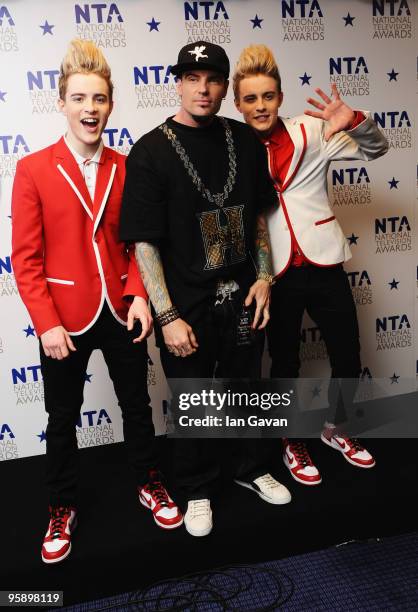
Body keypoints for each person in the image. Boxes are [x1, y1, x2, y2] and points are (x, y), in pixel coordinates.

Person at [11, 39, 182, 564]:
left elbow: (139, 243)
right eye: (80, 98)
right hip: (64, 319)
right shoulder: (33, 169)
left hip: (121, 311)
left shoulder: (128, 167)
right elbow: (26, 259)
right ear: (61, 101)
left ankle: (148, 482)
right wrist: (46, 324)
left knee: (136, 404)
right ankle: (61, 507)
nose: (90, 108)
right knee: (62, 417)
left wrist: (137, 296)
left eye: (100, 99)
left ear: (110, 105)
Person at [120, 41, 291, 537]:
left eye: (213, 79)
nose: (203, 88)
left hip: (241, 291)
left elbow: (258, 215)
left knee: (245, 385)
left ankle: (251, 469)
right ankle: (196, 488)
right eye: (192, 78)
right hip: (185, 301)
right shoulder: (151, 150)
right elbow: (145, 243)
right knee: (194, 398)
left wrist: (263, 276)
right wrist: (167, 315)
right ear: (177, 82)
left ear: (224, 87)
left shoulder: (242, 138)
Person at [233, 45, 388, 486]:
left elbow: (376, 150)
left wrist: (355, 121)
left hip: (323, 261)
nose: (260, 106)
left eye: (267, 96)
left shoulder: (313, 131)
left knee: (348, 353)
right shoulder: (234, 149)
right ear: (238, 104)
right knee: (284, 362)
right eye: (250, 99)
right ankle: (290, 439)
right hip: (274, 272)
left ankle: (337, 428)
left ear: (280, 97)